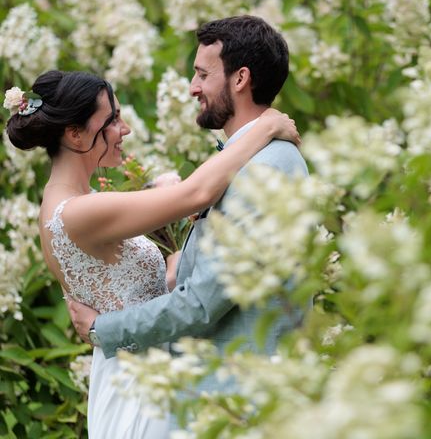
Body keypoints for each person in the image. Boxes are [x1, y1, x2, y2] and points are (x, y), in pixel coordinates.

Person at [4, 67, 300, 438]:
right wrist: (266, 127)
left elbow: (134, 288)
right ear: (74, 133)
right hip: (137, 385)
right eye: (112, 119)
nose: (124, 129)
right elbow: (196, 193)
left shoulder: (81, 202)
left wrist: (176, 266)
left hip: (149, 371)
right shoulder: (78, 212)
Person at [66, 16, 309, 423]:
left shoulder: (266, 169)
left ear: (240, 78)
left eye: (202, 74)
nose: (192, 87)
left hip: (242, 407)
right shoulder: (249, 160)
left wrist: (103, 329)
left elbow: (201, 304)